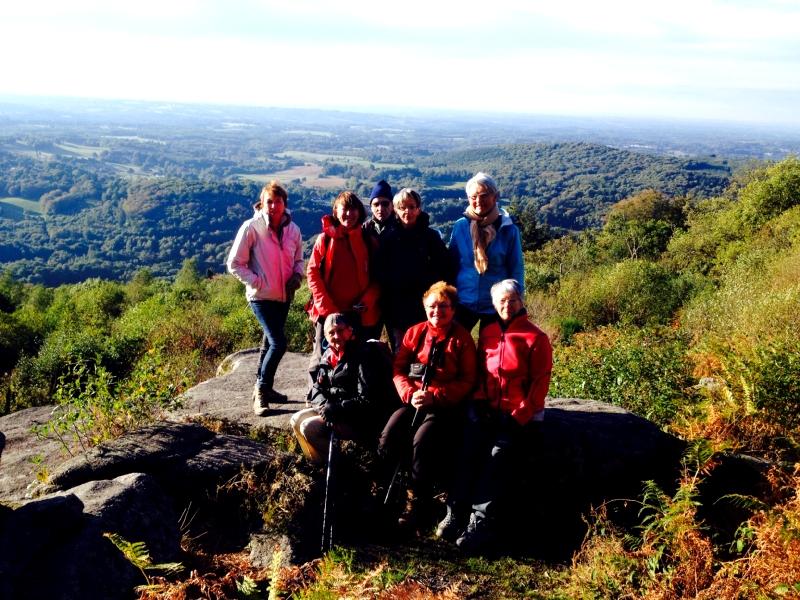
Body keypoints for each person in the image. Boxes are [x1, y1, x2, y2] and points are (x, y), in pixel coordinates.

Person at [438, 279, 552, 553]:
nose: (506, 305)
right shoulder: (487, 332)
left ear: (521, 301)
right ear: (493, 304)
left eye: (512, 300)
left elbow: (540, 385)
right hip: (487, 409)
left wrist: (517, 416)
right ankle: (456, 513)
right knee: (466, 451)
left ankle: (481, 523)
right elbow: (479, 373)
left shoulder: (536, 338)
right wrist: (478, 404)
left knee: (495, 459)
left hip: (518, 415)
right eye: (501, 301)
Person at [378, 281, 477, 532]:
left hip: (443, 406)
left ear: (453, 309)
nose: (437, 311)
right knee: (388, 436)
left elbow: (468, 380)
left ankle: (417, 503)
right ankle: (386, 489)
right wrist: (409, 393)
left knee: (421, 442)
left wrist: (435, 396)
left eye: (443, 306)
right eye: (432, 306)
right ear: (424, 308)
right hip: (413, 400)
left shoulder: (462, 339)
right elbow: (399, 369)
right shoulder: (415, 333)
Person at [227, 180, 304, 416]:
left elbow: (299, 259)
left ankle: (266, 388)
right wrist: (258, 281)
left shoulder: (293, 230)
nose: (273, 206)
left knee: (268, 343)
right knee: (279, 343)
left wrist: (298, 275)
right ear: (262, 203)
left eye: (278, 202)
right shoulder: (251, 227)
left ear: (284, 204)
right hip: (260, 296)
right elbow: (234, 264)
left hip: (284, 296)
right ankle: (260, 391)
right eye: (269, 202)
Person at [290, 313, 399, 465]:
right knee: (296, 420)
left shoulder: (363, 355)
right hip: (336, 410)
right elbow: (316, 389)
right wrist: (324, 407)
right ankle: (320, 464)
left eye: (340, 330)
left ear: (350, 330)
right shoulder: (328, 355)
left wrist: (337, 408)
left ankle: (343, 467)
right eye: (331, 332)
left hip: (360, 418)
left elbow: (367, 399)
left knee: (309, 427)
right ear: (326, 337)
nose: (336, 336)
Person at [306, 190, 381, 378]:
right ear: (336, 211)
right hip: (329, 311)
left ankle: (354, 399)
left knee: (359, 359)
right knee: (322, 357)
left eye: (354, 209)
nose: (349, 213)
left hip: (359, 313)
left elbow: (378, 276)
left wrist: (368, 299)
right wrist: (328, 309)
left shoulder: (367, 240)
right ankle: (316, 396)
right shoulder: (325, 239)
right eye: (345, 208)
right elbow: (313, 273)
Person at [376, 188, 454, 352]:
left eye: (412, 207)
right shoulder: (388, 237)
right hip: (396, 308)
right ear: (395, 209)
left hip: (425, 306)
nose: (408, 212)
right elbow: (379, 271)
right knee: (401, 351)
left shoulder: (430, 237)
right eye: (402, 207)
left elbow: (445, 267)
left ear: (419, 209)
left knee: (425, 350)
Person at [449, 172, 524, 332]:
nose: (478, 201)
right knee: (455, 349)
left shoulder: (508, 229)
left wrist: (517, 301)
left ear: (495, 196)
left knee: (490, 352)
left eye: (483, 195)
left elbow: (516, 268)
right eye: (473, 196)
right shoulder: (461, 226)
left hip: (495, 305)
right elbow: (452, 263)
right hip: (464, 301)